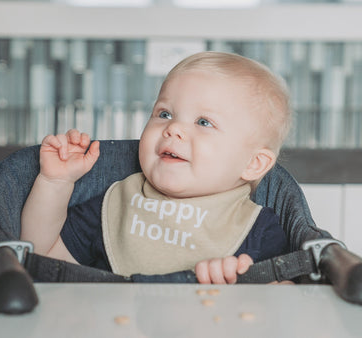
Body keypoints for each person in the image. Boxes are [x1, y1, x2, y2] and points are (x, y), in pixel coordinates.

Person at [20, 51, 291, 284]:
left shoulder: (257, 229)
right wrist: (55, 182)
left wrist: (245, 286)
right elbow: (42, 258)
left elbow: (287, 304)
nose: (173, 128)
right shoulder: (116, 205)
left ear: (253, 164)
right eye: (165, 114)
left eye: (204, 122)